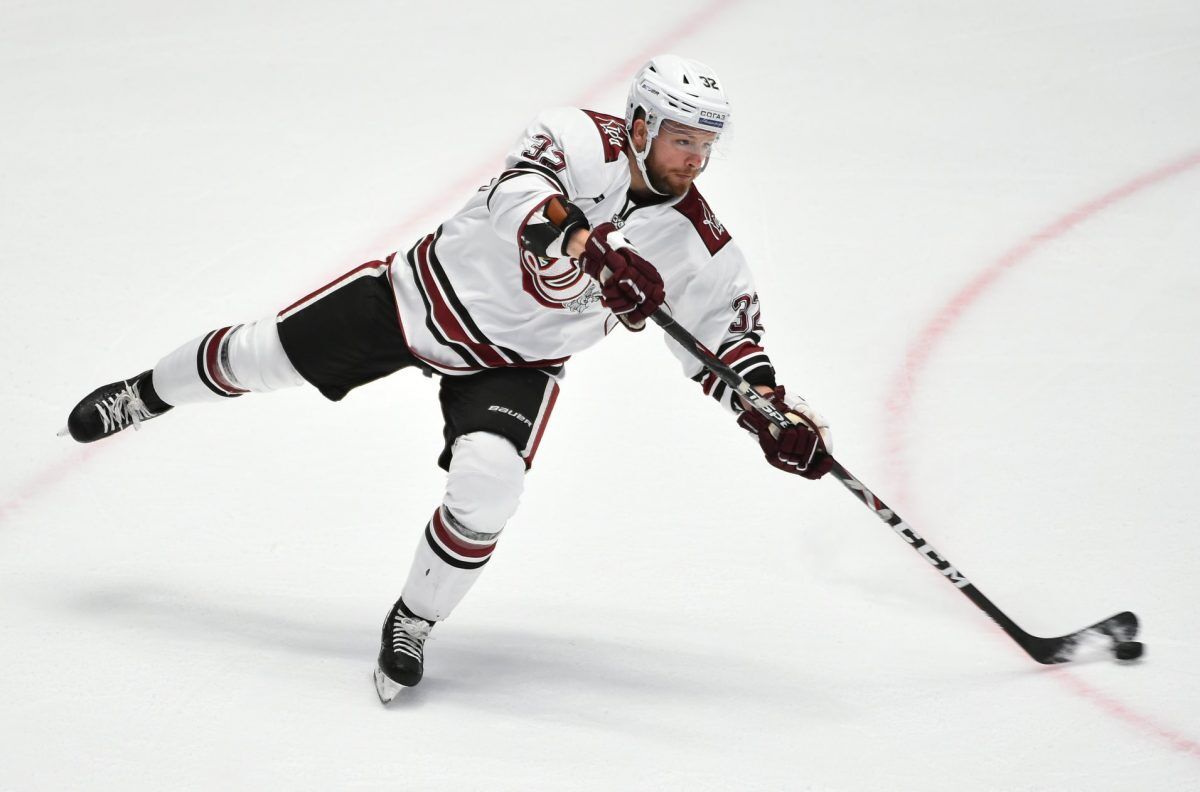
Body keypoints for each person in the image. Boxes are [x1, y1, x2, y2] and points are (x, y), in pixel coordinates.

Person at [61, 55, 834, 703]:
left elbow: (726, 340)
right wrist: (586, 245)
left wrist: (770, 412)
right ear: (638, 125)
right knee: (259, 357)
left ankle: (415, 620)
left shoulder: (699, 243)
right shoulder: (574, 135)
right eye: (682, 139)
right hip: (416, 299)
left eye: (706, 144)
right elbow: (517, 195)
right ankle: (145, 394)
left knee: (491, 483)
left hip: (516, 362)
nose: (695, 158)